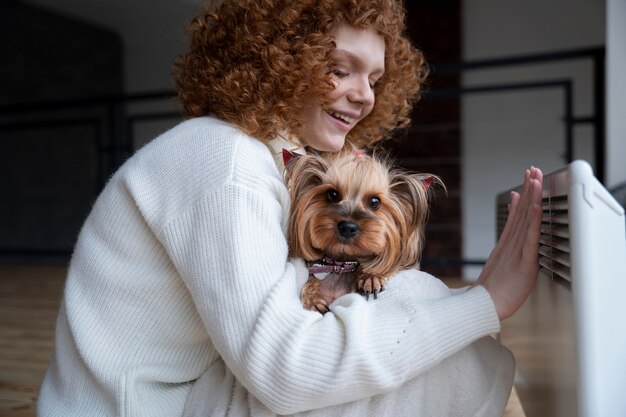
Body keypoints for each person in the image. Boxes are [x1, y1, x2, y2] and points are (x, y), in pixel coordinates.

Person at [37, 0, 544, 416]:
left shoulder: (268, 157)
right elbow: (286, 375)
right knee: (451, 350)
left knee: (422, 311)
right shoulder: (225, 158)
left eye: (374, 78)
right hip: (150, 407)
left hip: (195, 385)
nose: (363, 95)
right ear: (277, 60)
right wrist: (483, 304)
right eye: (340, 69)